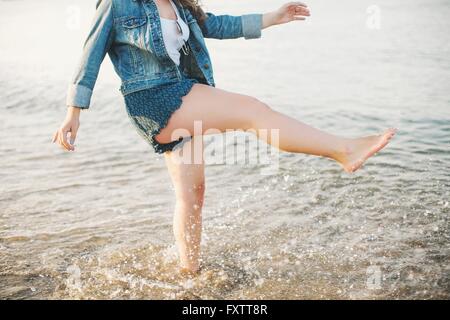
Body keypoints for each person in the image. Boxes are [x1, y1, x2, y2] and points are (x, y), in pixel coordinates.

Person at [52, 0, 396, 274]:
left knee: (191, 194)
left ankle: (189, 271)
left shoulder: (181, 5)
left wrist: (272, 17)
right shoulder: (118, 4)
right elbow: (90, 57)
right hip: (155, 99)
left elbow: (217, 24)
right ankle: (343, 150)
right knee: (253, 111)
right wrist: (73, 112)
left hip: (185, 94)